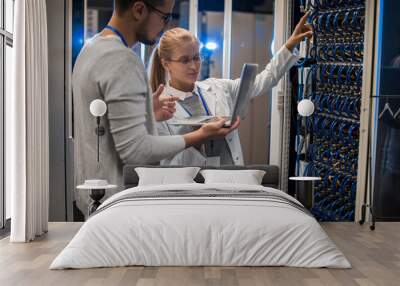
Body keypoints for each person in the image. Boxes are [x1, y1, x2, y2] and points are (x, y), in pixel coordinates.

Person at [72, 0, 239, 216]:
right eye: (165, 17)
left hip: (93, 193)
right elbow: (137, 151)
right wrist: (199, 135)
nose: (165, 27)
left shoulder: (91, 49)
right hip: (117, 201)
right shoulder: (121, 58)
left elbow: (104, 128)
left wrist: (146, 114)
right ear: (139, 9)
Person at [148, 14, 312, 166]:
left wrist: (290, 45)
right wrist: (200, 137)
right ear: (166, 63)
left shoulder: (218, 88)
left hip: (230, 179)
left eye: (196, 58)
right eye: (184, 60)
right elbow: (165, 162)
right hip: (192, 188)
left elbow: (266, 79)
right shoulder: (160, 107)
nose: (193, 66)